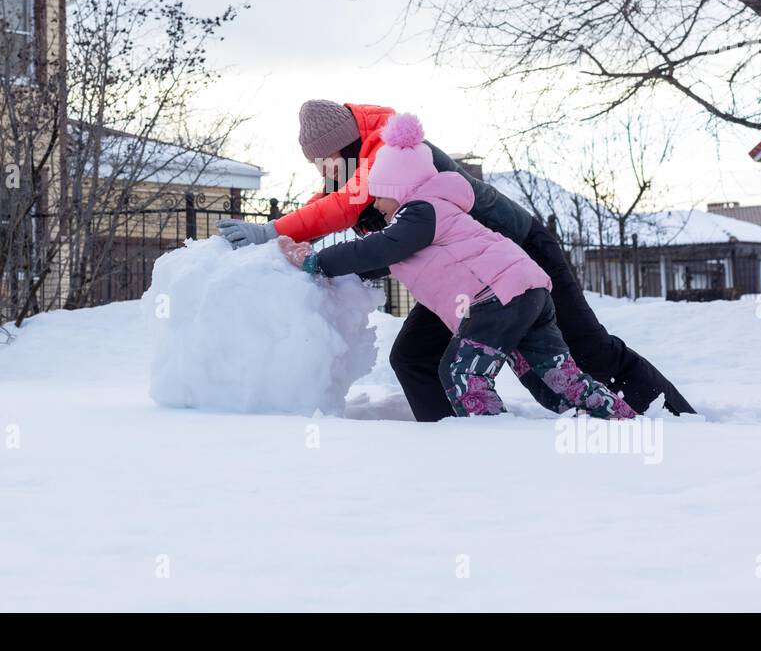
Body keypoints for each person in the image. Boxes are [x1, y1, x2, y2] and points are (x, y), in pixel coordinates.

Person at [217, 100, 695, 421]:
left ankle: (671, 419)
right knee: (415, 357)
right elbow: (370, 233)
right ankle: (455, 447)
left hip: (517, 259)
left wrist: (276, 231)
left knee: (586, 349)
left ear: (340, 148)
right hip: (463, 278)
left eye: (323, 163)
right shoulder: (359, 167)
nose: (323, 173)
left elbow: (350, 209)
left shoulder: (392, 152)